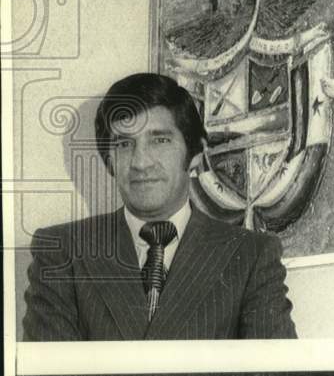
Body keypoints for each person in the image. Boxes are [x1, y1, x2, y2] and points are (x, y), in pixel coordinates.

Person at [23, 73, 297, 341]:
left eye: (160, 140)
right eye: (124, 143)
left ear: (195, 155)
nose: (141, 162)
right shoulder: (63, 252)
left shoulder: (251, 256)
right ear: (109, 162)